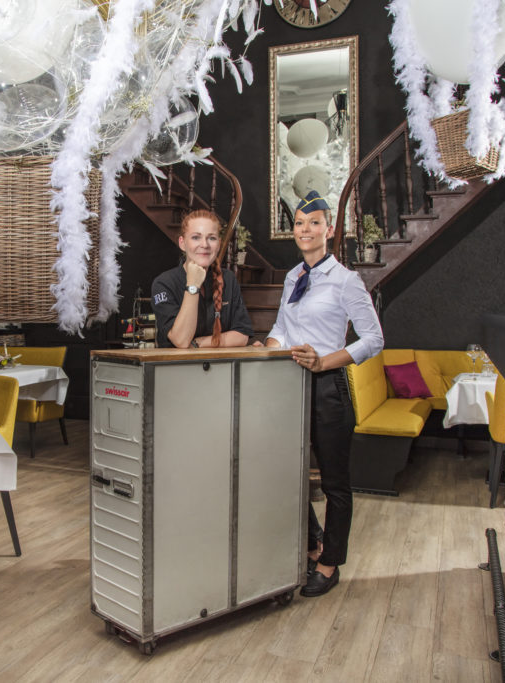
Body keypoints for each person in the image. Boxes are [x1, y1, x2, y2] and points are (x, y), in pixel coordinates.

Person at [254, 190, 383, 597]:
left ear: (329, 230)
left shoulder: (346, 281)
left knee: (334, 484)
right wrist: (267, 349)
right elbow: (281, 328)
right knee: (284, 474)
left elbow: (374, 339)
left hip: (329, 389)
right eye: (299, 223)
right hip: (290, 385)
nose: (305, 229)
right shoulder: (293, 276)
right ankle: (313, 544)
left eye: (314, 223)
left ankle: (330, 564)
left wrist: (325, 362)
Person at [152, 209, 253, 348]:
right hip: (176, 363)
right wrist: (193, 284)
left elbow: (242, 335)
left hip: (221, 362)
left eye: (211, 238)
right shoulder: (164, 283)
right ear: (182, 243)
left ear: (219, 244)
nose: (205, 245)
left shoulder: (228, 279)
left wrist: (197, 343)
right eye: (196, 237)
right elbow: (181, 340)